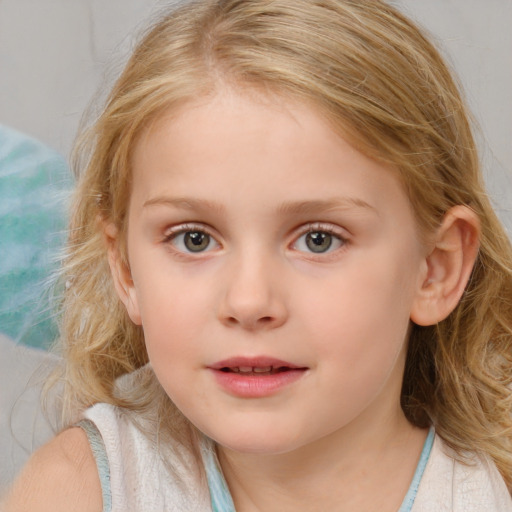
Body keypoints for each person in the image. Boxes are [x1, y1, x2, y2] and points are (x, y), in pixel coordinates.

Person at [3, 0, 512, 510]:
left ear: (436, 269)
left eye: (319, 239)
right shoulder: (80, 489)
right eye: (193, 238)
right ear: (126, 270)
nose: (249, 301)